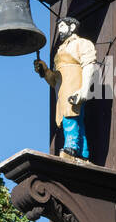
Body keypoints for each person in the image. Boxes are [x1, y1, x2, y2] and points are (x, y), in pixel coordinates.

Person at [33, 15, 98, 161]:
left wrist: (84, 89)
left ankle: (72, 147)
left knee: (71, 117)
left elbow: (89, 66)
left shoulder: (82, 43)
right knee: (73, 118)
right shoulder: (61, 49)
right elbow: (55, 80)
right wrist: (44, 71)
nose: (59, 30)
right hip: (62, 88)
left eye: (62, 26)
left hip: (74, 84)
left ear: (72, 27)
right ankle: (83, 153)